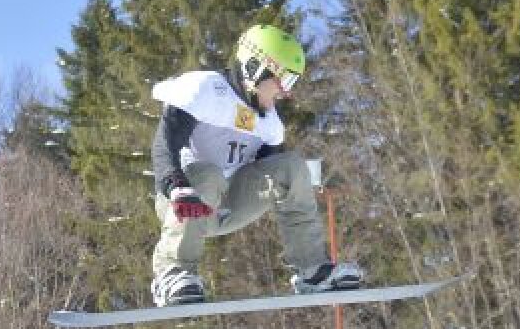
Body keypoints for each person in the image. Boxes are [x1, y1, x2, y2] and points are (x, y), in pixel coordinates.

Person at [150, 24, 363, 306]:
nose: (287, 93)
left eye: (292, 83)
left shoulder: (269, 123)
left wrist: (304, 185)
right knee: (208, 174)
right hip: (185, 200)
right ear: (254, 68)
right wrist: (174, 183)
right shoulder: (206, 90)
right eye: (284, 80)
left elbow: (273, 180)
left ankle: (312, 270)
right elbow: (165, 141)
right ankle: (172, 273)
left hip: (228, 205)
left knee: (291, 167)